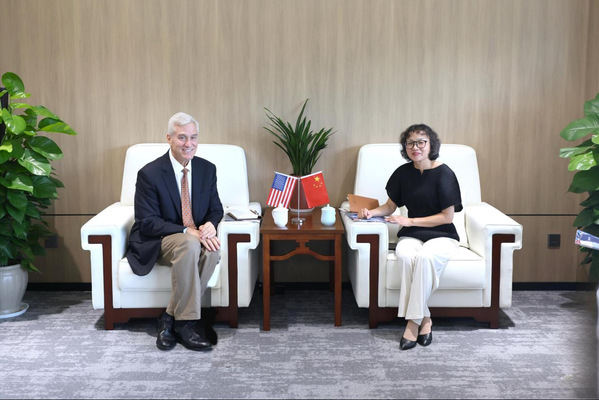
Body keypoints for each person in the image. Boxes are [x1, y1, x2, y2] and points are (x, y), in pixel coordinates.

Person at [358, 124, 462, 350]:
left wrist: (410, 221)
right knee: (405, 256)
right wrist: (371, 213)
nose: (416, 147)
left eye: (421, 142)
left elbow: (447, 217)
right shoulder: (403, 173)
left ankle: (412, 324)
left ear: (431, 145)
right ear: (405, 147)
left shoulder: (445, 173)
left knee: (425, 258)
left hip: (443, 235)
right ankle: (425, 318)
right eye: (410, 143)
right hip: (412, 235)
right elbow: (390, 206)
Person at [126, 112, 223, 351]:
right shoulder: (149, 174)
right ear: (169, 138)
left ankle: (170, 318)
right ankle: (188, 324)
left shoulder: (207, 169)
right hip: (159, 241)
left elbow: (216, 208)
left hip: (193, 239)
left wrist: (211, 224)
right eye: (182, 137)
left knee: (212, 251)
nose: (189, 144)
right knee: (189, 243)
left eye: (193, 137)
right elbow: (147, 222)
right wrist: (186, 230)